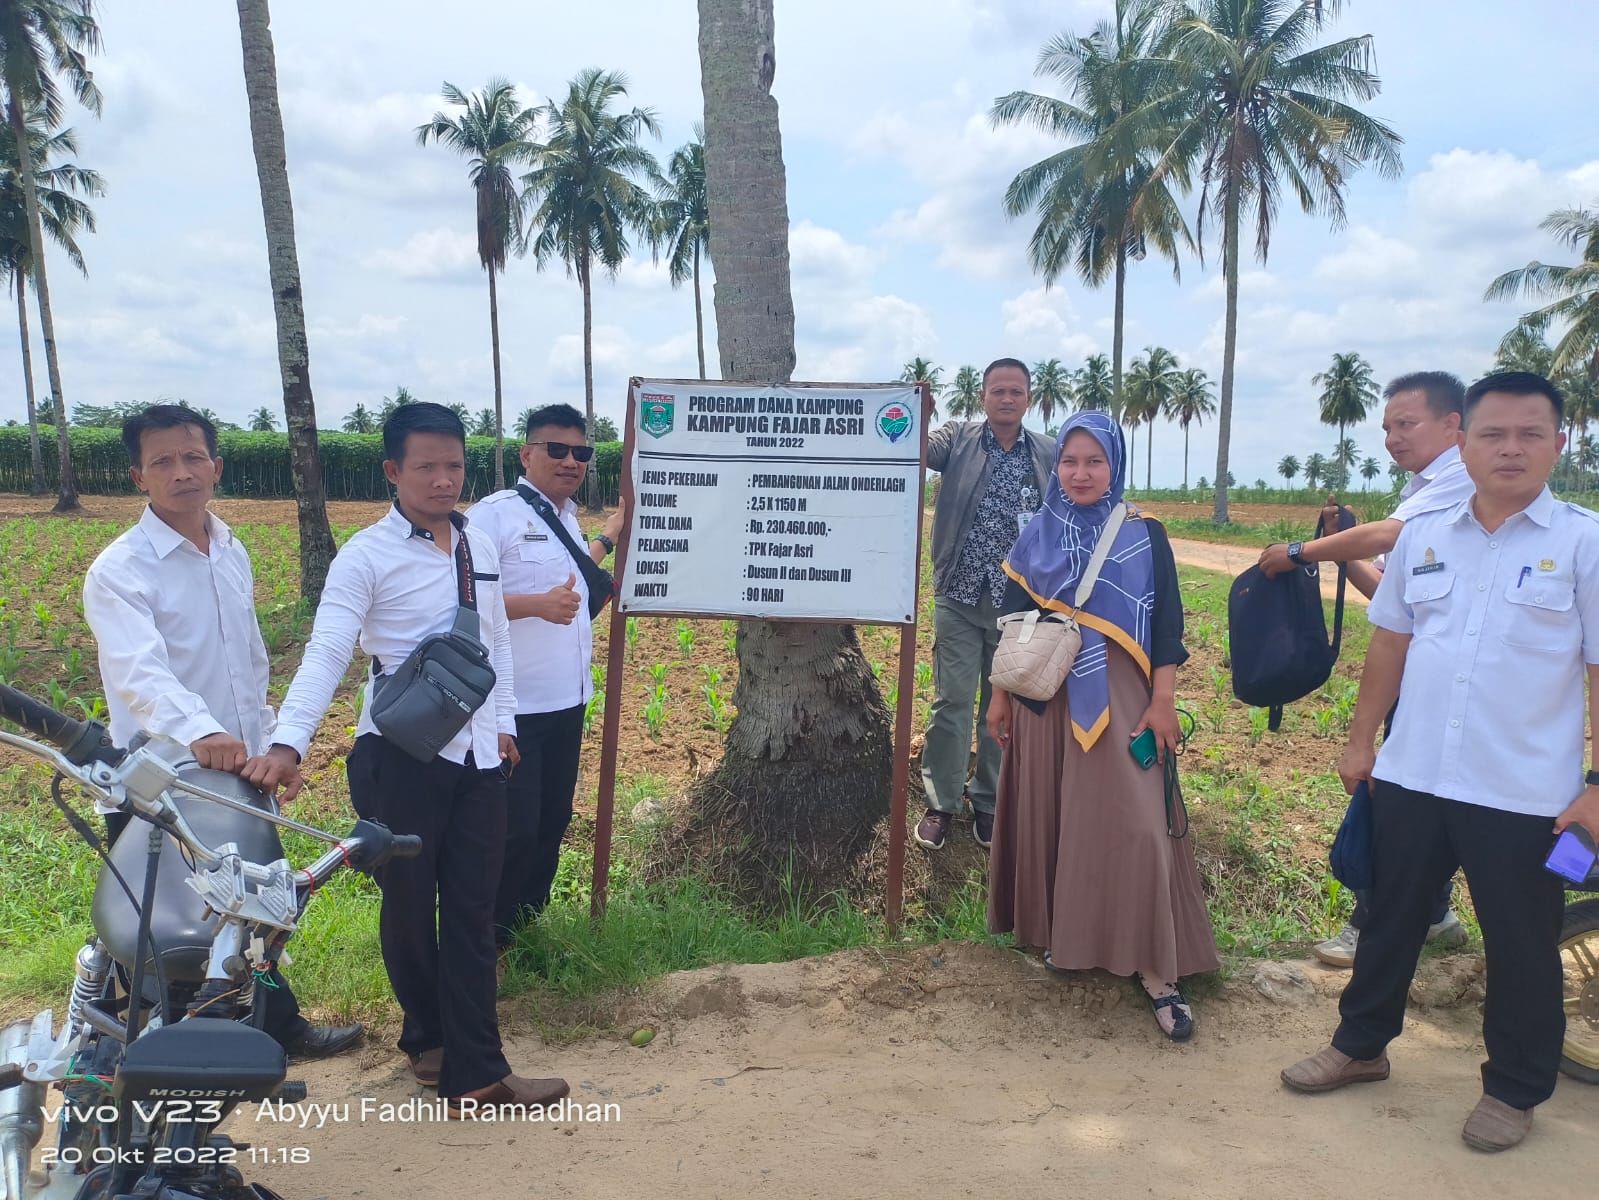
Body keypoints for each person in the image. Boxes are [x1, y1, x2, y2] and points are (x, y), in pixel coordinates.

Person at [1281, 371, 1599, 1152]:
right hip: (1413, 774)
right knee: (1389, 921)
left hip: (1524, 793)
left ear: (1559, 444)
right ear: (1463, 443)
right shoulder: (1425, 533)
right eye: (1493, 434)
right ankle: (1358, 1048)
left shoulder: (1583, 542)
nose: (1511, 449)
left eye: (1530, 433)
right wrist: (1361, 743)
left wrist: (1594, 787)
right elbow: (1389, 642)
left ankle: (1515, 1089)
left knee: (1521, 944)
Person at [242, 402, 569, 1115]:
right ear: (393, 472)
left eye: (453, 466)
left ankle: (475, 1068)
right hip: (399, 758)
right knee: (411, 907)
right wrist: (289, 742)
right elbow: (329, 648)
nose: (443, 480)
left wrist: (504, 724)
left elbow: (494, 642)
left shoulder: (478, 545)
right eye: (427, 467)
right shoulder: (367, 555)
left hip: (480, 759)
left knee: (474, 913)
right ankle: (430, 1044)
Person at [82, 403, 362, 1061]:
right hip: (163, 779)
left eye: (192, 458)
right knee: (161, 932)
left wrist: (266, 749)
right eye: (162, 462)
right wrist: (205, 733)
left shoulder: (229, 548)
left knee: (257, 907)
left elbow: (248, 665)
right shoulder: (120, 570)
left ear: (216, 465)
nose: (181, 473)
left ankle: (273, 1026)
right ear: (137, 477)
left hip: (236, 773)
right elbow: (139, 676)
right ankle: (148, 1064)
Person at [987, 411, 1219, 1041]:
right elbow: (1012, 624)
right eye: (1070, 461)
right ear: (1055, 465)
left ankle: (1156, 969)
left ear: (1115, 466)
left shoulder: (1146, 535)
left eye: (1095, 462)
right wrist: (999, 699)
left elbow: (1166, 624)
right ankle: (1067, 939)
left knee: (1139, 823)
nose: (1081, 474)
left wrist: (1163, 699)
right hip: (1044, 697)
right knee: (1055, 812)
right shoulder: (1036, 533)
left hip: (1122, 693)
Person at [1258, 371, 1476, 967]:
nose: (1392, 439)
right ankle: (1435, 915)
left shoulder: (1458, 480)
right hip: (1423, 679)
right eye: (1387, 428)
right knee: (1417, 800)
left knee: (1397, 802)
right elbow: (1388, 594)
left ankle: (1375, 922)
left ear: (1453, 425)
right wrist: (1341, 543)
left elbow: (1389, 536)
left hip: (1461, 687)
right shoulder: (1422, 487)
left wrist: (1301, 551)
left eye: (1406, 424)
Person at [465, 403, 624, 956]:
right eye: (556, 450)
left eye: (581, 452)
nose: (570, 461)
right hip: (513, 707)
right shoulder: (495, 515)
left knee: (553, 820)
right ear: (526, 453)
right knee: (513, 830)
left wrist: (608, 534)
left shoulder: (565, 516)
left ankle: (526, 932)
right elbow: (457, 599)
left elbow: (574, 573)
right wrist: (534, 605)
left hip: (567, 703)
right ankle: (488, 943)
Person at [917, 357, 1056, 850]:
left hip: (1019, 605)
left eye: (1015, 391)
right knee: (952, 702)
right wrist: (919, 414)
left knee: (1002, 712)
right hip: (958, 595)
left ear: (1029, 399)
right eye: (997, 390)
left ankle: (991, 802)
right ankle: (941, 803)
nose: (1006, 398)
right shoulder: (957, 439)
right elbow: (916, 451)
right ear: (982, 397)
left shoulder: (1048, 453)